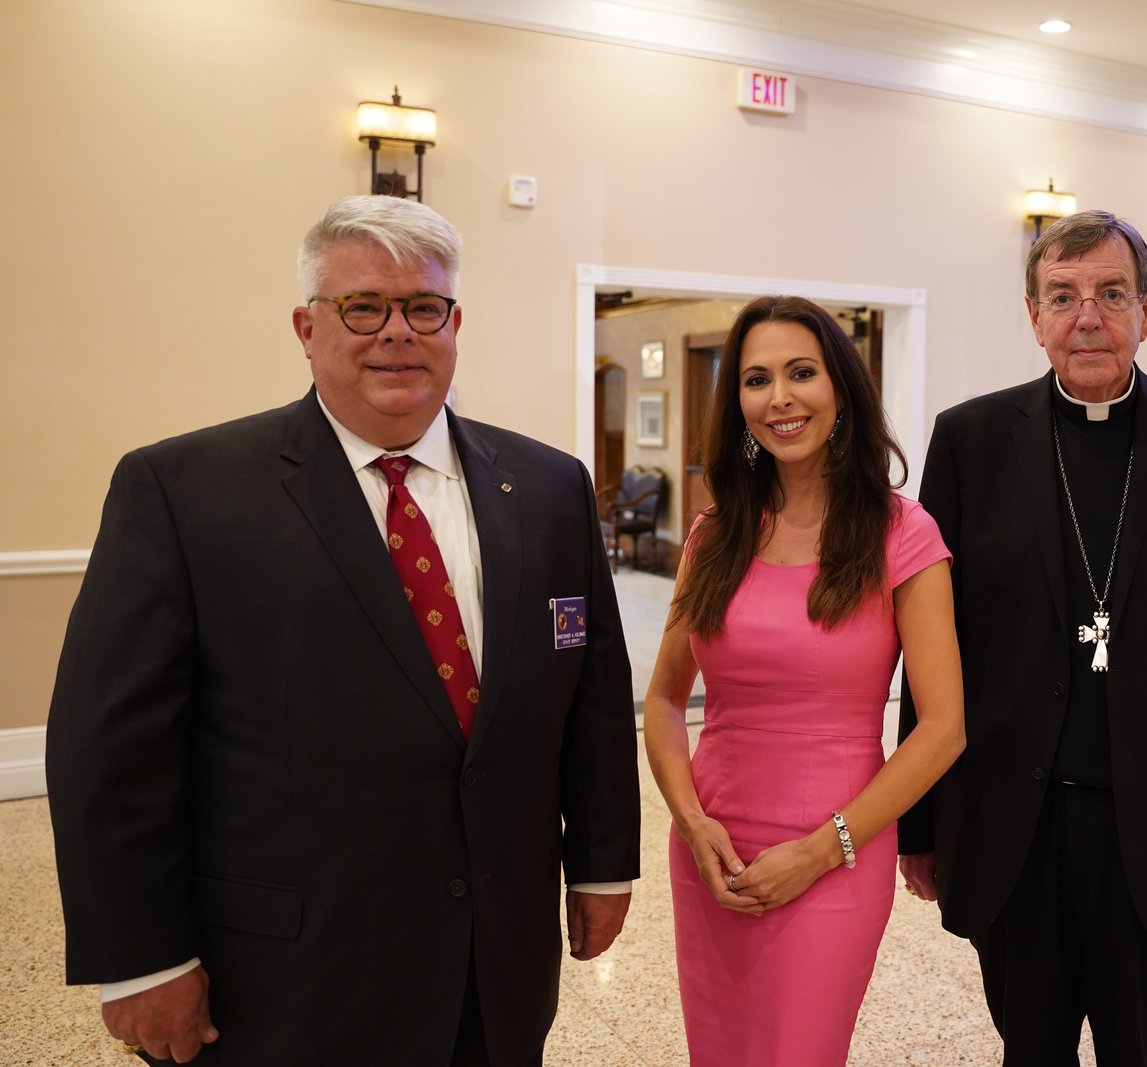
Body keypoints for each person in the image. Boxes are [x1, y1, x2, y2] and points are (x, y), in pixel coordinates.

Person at [45, 195, 640, 1066]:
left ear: (454, 321)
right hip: (290, 978)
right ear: (306, 325)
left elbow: (588, 699)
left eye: (422, 307)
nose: (396, 331)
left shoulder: (549, 488)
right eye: (362, 306)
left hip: (496, 962)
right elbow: (111, 745)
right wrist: (141, 956)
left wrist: (598, 865)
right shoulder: (183, 492)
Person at [897, 210, 1147, 1066]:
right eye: (1062, 296)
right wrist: (920, 823)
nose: (1087, 316)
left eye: (1110, 293)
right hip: (1012, 824)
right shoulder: (971, 439)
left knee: (1144, 1047)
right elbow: (930, 650)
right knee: (1029, 1048)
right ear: (1033, 316)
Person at [643, 295, 965, 1066]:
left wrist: (824, 849)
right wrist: (692, 822)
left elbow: (944, 726)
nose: (779, 397)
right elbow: (660, 698)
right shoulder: (715, 534)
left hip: (838, 855)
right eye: (756, 379)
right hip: (712, 851)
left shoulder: (902, 532)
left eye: (801, 373)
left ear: (841, 391)